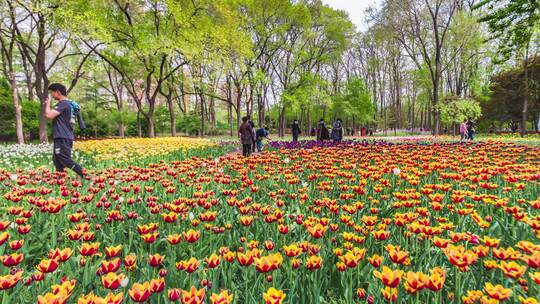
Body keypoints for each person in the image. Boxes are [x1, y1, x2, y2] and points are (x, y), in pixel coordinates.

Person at [44, 83, 85, 178]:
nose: (52, 95)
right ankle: (60, 182)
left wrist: (48, 104)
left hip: (63, 137)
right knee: (57, 161)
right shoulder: (68, 104)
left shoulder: (63, 104)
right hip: (62, 137)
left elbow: (49, 115)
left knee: (65, 159)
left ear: (58, 92)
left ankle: (85, 176)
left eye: (52, 93)